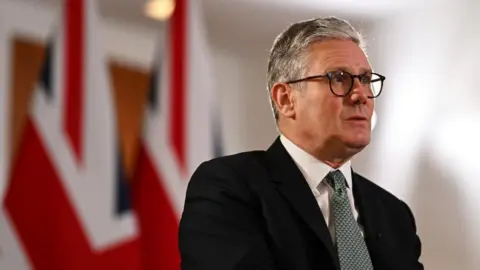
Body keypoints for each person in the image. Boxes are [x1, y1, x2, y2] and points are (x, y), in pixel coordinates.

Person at [178, 17, 423, 270]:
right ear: (286, 99)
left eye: (365, 79)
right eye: (339, 78)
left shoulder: (395, 215)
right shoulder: (229, 187)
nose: (360, 94)